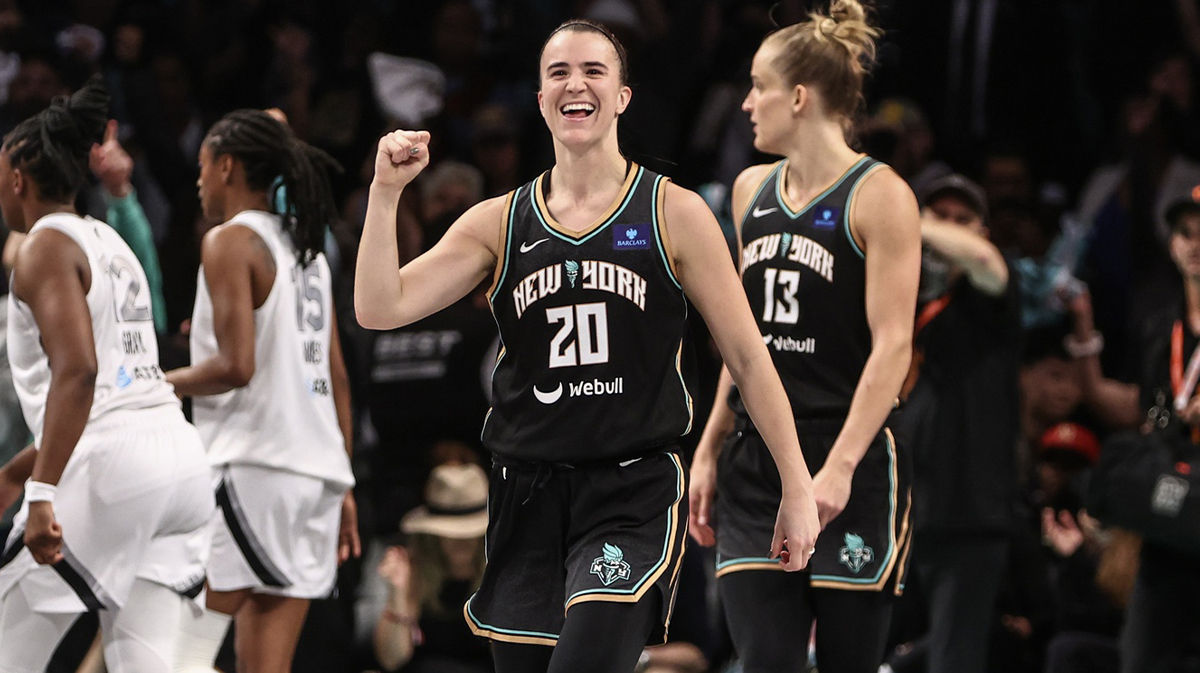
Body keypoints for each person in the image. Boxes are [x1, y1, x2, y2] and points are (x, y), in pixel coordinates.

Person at [355, 19, 821, 673]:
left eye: (594, 71)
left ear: (624, 95)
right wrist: (385, 193)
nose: (576, 83)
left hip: (629, 491)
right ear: (541, 99)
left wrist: (797, 486)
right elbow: (380, 306)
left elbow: (748, 357)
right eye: (558, 73)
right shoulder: (500, 221)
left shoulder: (672, 212)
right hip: (525, 493)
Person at [686, 3, 921, 672]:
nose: (746, 105)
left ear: (798, 95)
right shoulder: (747, 191)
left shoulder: (879, 195)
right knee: (766, 660)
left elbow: (893, 347)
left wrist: (840, 468)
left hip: (848, 451)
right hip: (758, 458)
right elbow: (742, 342)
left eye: (758, 87)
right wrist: (708, 448)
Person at [0, 78, 213, 672]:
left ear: (17, 179)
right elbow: (114, 385)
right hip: (178, 462)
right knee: (148, 664)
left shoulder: (42, 247)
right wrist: (19, 473)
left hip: (111, 470)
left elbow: (81, 374)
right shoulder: (110, 241)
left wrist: (40, 492)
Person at [166, 109, 360, 673]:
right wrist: (344, 483)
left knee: (175, 657)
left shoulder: (228, 240)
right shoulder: (308, 251)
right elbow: (336, 380)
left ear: (226, 167)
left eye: (202, 167)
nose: (199, 182)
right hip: (315, 481)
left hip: (253, 469)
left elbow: (236, 366)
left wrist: (153, 385)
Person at [1068, 197, 1200, 673]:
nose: (1195, 244)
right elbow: (1138, 411)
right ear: (1171, 244)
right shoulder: (1160, 328)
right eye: (1185, 232)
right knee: (1141, 659)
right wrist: (1083, 327)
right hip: (1171, 523)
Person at [900, 173, 1020, 673]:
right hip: (901, 510)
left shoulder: (991, 298)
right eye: (937, 215)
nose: (946, 228)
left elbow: (987, 264)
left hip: (968, 516)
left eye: (960, 220)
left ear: (983, 231)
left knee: (954, 661)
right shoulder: (901, 299)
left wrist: (907, 221)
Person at [373, 462, 491, 673]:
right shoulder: (413, 570)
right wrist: (397, 596)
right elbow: (392, 660)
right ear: (432, 535)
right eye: (451, 532)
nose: (461, 540)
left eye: (469, 532)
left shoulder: (502, 575)